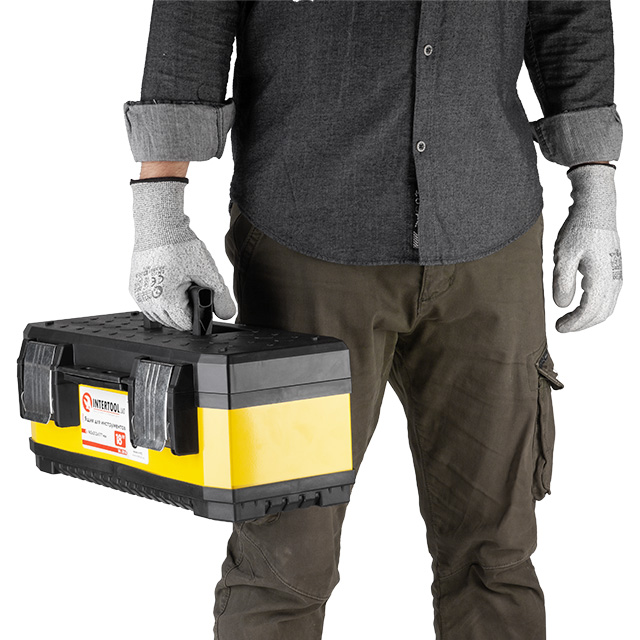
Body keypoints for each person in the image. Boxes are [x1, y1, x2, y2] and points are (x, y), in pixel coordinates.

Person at [123, 2, 623, 638]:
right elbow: (195, 12)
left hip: (489, 230)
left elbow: (570, 13)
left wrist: (595, 189)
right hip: (306, 241)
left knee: (497, 557)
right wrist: (160, 211)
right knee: (284, 559)